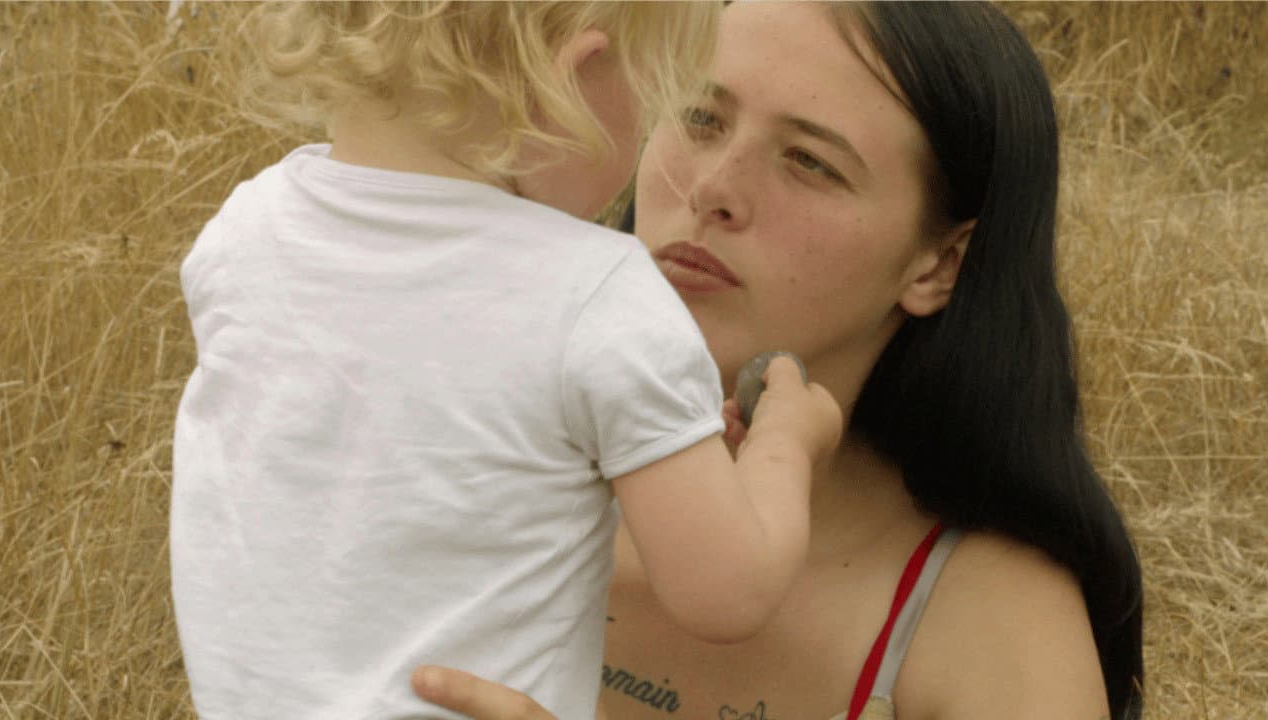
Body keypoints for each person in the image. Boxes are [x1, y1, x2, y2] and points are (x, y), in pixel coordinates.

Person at [411, 2, 1146, 719]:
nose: (712, 189)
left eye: (810, 162)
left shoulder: (990, 625)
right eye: (701, 118)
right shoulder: (449, 436)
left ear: (938, 265)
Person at [170, 2, 843, 719]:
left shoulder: (245, 231)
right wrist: (786, 443)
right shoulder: (598, 296)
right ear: (573, 81)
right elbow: (728, 590)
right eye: (650, 102)